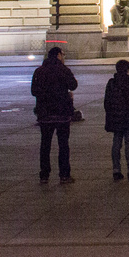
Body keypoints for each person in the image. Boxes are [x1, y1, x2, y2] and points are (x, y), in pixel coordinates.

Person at [31, 47, 78, 184]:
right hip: (62, 113)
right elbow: (73, 85)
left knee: (45, 145)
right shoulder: (64, 70)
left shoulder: (39, 71)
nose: (63, 57)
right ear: (58, 55)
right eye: (63, 54)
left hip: (45, 114)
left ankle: (44, 175)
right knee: (63, 145)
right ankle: (64, 175)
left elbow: (34, 91)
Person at [103, 59, 129, 181]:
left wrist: (111, 114)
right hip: (128, 118)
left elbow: (106, 102)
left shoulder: (111, 83)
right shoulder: (128, 82)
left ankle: (116, 170)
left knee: (116, 143)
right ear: (127, 69)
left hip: (115, 118)